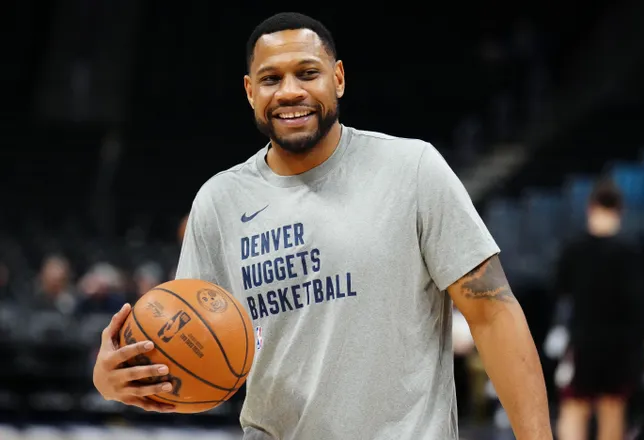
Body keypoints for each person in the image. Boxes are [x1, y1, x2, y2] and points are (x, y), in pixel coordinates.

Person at [92, 12, 551, 440]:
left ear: (339, 78)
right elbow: (194, 354)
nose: (290, 91)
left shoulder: (411, 168)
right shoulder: (220, 200)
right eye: (272, 79)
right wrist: (116, 381)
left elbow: (492, 313)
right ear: (251, 91)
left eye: (307, 73)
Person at [554, 179, 644, 440]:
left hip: (583, 341)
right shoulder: (630, 251)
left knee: (575, 407)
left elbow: (560, 293)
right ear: (620, 210)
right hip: (619, 346)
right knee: (612, 408)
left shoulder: (573, 248)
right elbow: (639, 304)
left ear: (590, 207)